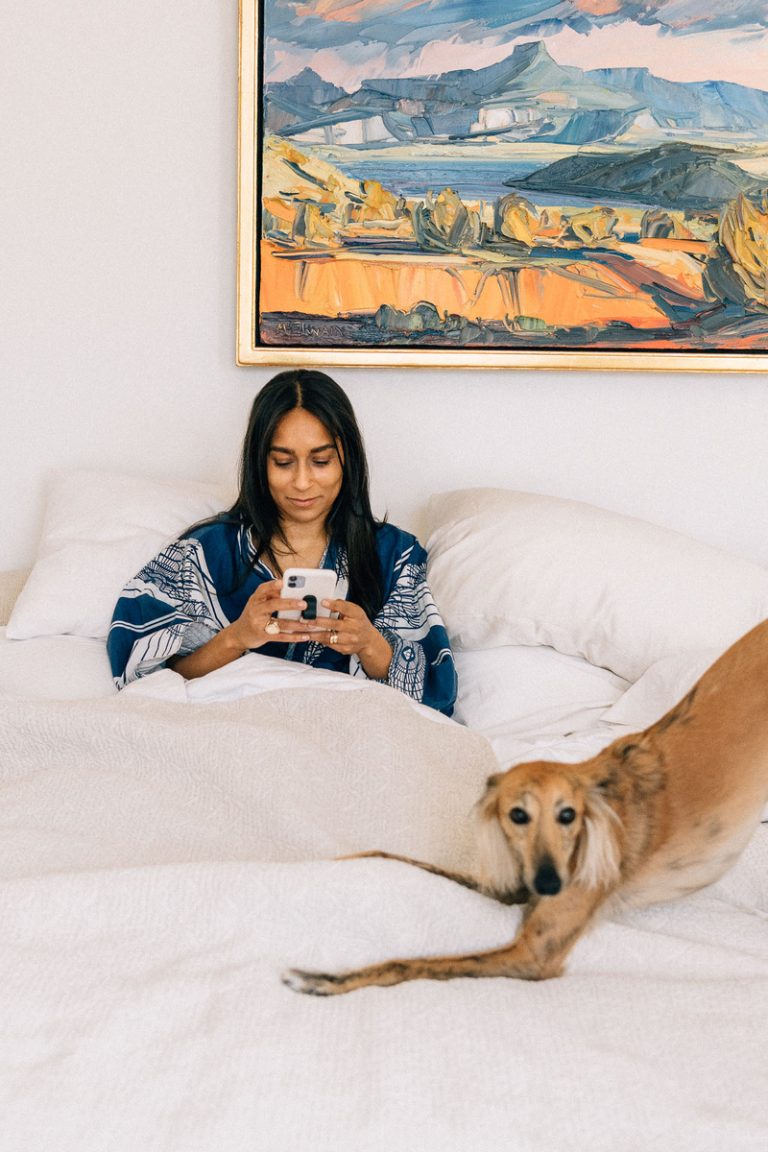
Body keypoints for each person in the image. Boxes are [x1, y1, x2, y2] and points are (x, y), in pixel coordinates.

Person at [107, 369, 457, 715]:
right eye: (283, 462)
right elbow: (146, 684)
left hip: (349, 739)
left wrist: (369, 644)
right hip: (232, 734)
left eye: (321, 461)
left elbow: (435, 696)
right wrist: (237, 637)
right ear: (260, 463)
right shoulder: (203, 556)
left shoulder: (395, 556)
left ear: (347, 460)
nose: (302, 482)